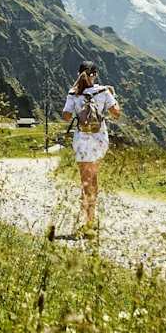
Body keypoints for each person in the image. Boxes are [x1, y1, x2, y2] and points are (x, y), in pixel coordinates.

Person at [61, 60, 121, 237]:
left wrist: (75, 100)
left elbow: (65, 117)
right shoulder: (103, 91)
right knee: (93, 177)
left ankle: (88, 221)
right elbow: (116, 113)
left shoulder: (73, 93)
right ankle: (91, 219)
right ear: (95, 75)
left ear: (79, 74)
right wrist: (112, 95)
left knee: (85, 180)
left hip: (82, 140)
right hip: (99, 139)